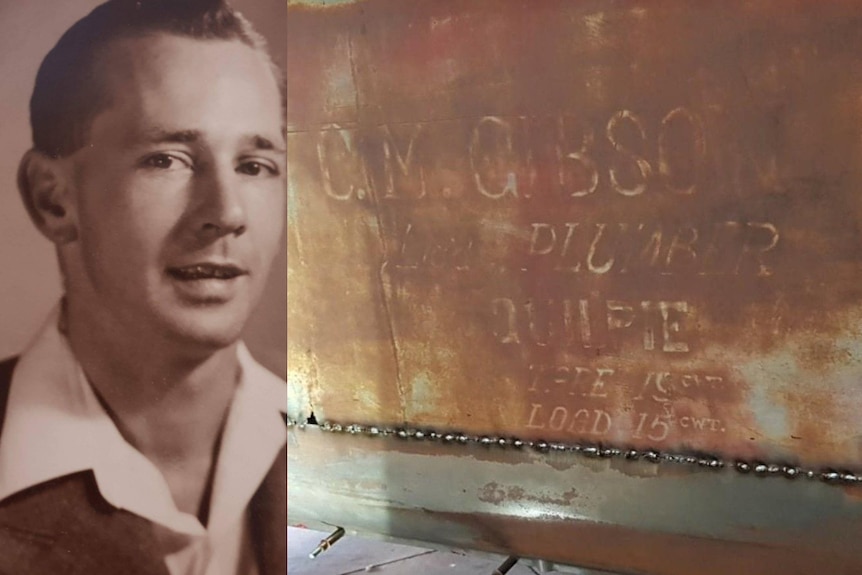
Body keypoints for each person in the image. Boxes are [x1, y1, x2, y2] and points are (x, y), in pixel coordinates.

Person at [0, 0, 286, 573]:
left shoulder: (364, 453)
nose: (227, 213)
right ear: (52, 199)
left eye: (254, 165)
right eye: (167, 159)